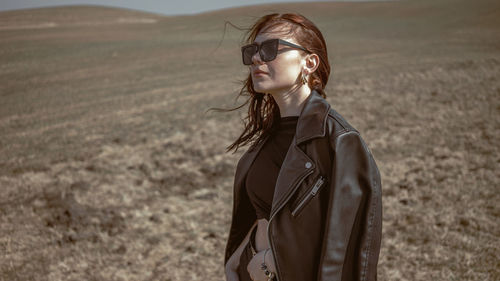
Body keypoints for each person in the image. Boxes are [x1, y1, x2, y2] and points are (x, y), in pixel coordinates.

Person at [220, 13, 382, 281]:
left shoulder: (339, 140)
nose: (257, 59)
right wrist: (236, 263)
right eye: (253, 51)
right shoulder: (267, 137)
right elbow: (264, 215)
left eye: (271, 49)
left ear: (309, 63)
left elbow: (351, 241)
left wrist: (271, 262)